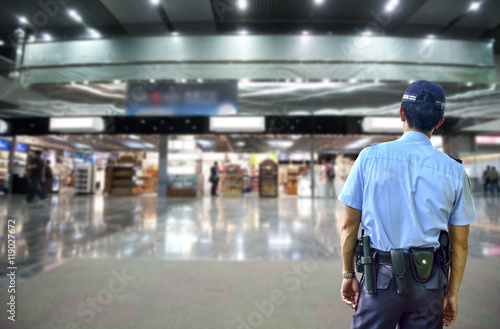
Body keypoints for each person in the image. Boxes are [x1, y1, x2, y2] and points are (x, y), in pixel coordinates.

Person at [338, 80, 477, 329]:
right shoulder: (454, 171)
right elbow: (460, 243)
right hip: (430, 282)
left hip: (378, 281)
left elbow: (348, 227)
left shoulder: (368, 158)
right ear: (439, 122)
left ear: (401, 113)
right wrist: (452, 294)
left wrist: (349, 274)